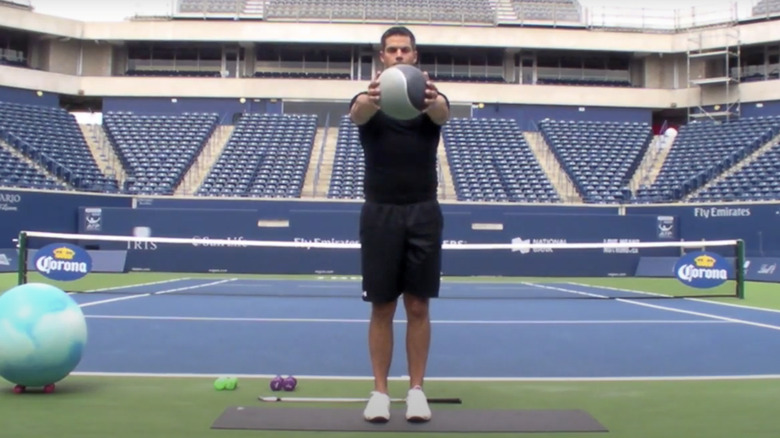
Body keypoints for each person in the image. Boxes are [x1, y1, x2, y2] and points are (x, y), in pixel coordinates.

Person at [349, 25, 450, 423]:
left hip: (423, 211)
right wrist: (370, 95)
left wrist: (433, 98)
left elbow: (444, 113)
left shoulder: (428, 99)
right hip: (380, 212)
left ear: (415, 56)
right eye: (391, 50)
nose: (398, 55)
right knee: (382, 307)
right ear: (381, 57)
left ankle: (416, 391)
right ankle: (379, 393)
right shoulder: (368, 101)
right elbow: (357, 111)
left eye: (404, 50)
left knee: (419, 306)